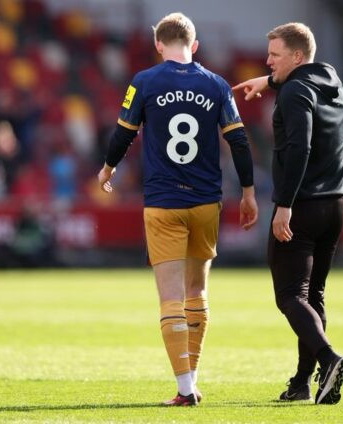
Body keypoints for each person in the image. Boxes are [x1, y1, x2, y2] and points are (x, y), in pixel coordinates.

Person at [97, 12, 258, 407]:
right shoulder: (218, 85)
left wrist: (108, 167)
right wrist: (250, 192)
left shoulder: (144, 82)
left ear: (158, 45)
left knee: (170, 299)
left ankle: (186, 388)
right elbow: (239, 143)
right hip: (206, 202)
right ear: (195, 45)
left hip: (163, 204)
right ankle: (194, 379)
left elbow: (123, 133)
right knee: (197, 292)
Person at [233, 22, 343, 405]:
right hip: (336, 202)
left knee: (289, 295)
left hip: (301, 203)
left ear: (297, 57)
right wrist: (269, 81)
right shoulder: (330, 79)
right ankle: (302, 383)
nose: (267, 61)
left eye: (274, 55)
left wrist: (284, 205)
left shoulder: (295, 93)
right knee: (313, 294)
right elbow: (303, 85)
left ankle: (329, 358)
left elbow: (299, 147)